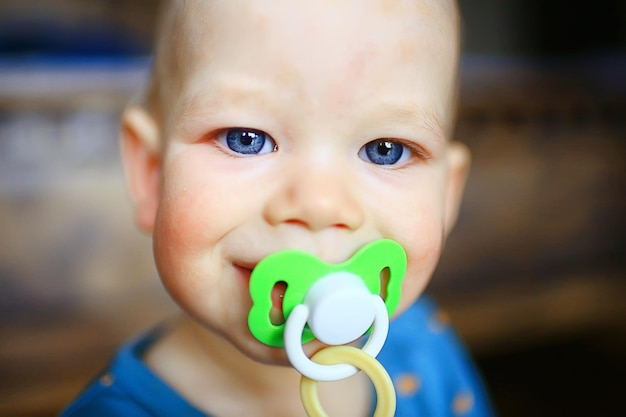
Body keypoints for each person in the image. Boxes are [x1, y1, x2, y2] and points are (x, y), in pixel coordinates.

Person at [61, 0, 495, 416]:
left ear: (447, 196)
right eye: (245, 139)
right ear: (152, 174)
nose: (320, 205)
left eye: (386, 150)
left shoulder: (422, 344)